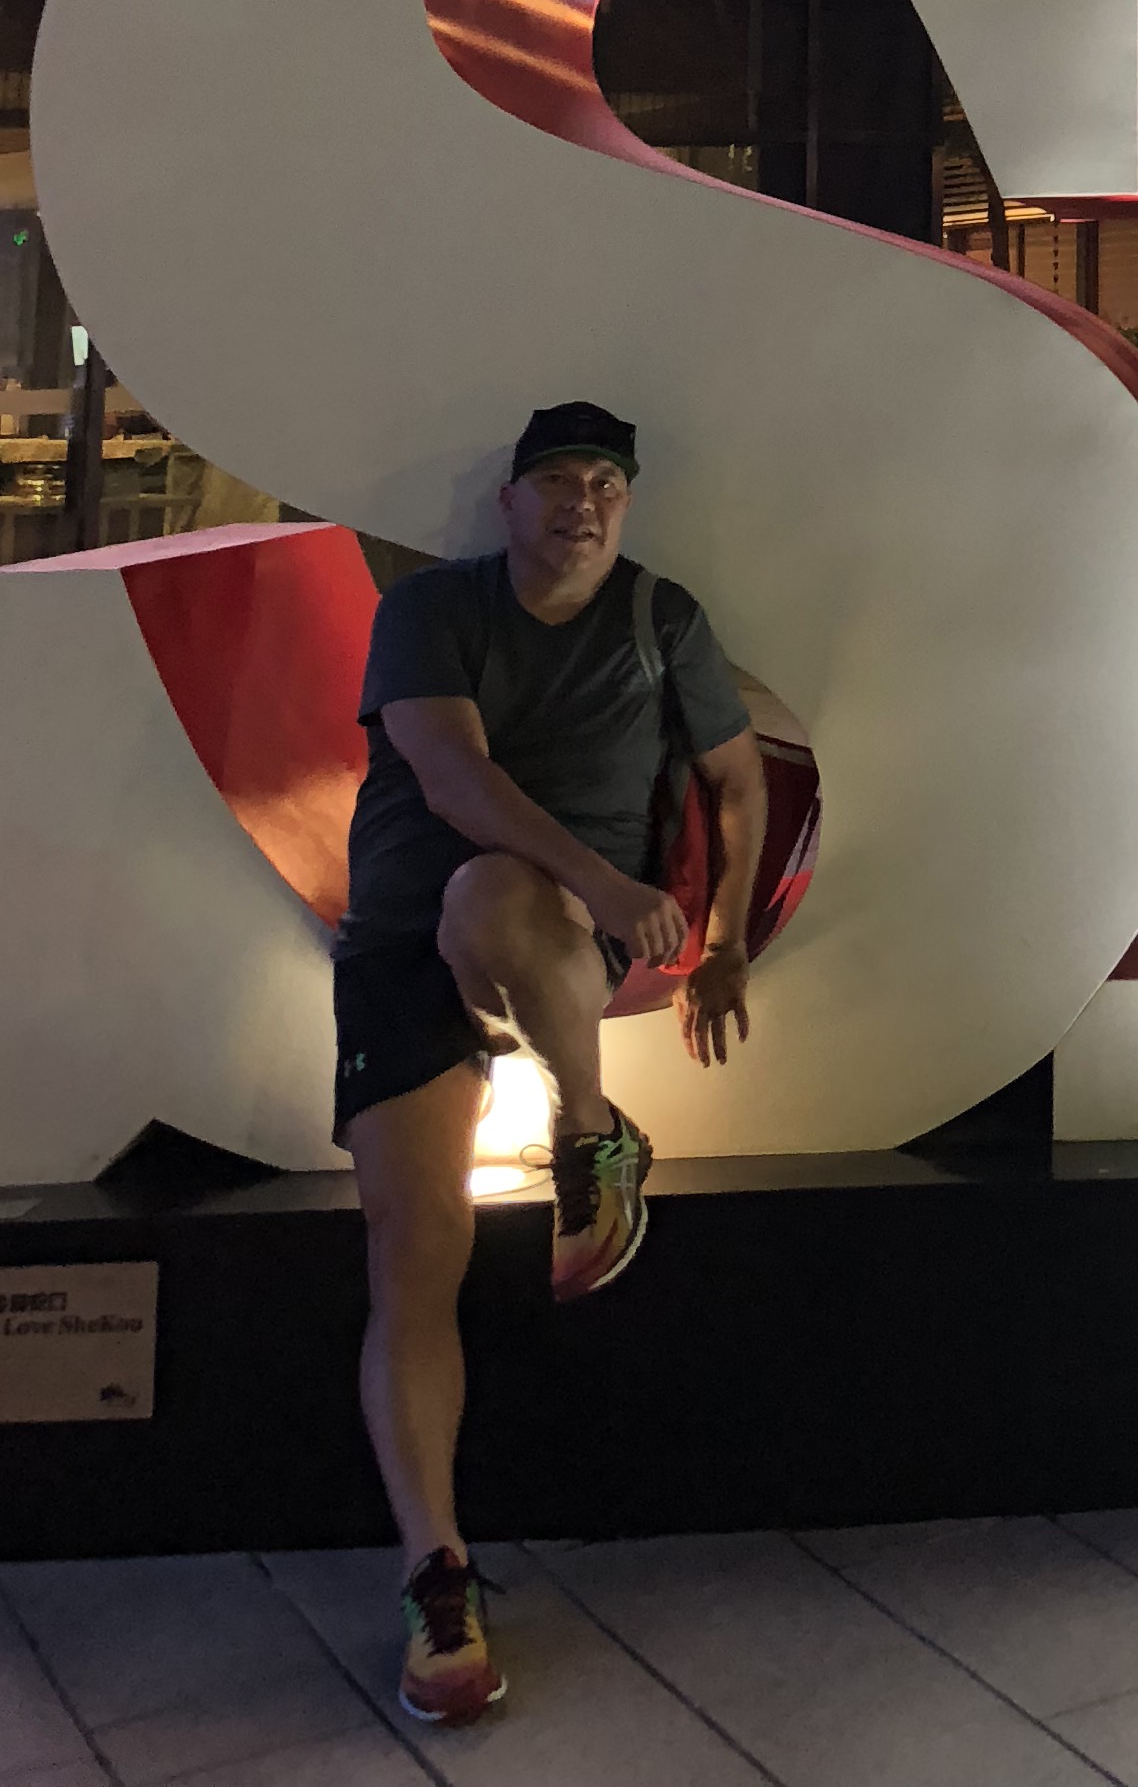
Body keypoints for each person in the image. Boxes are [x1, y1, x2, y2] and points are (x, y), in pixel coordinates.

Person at [332, 400, 770, 1728]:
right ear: (508, 502)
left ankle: (590, 1127)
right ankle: (437, 1574)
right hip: (408, 947)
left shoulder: (660, 618)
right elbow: (452, 778)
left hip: (561, 941)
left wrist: (726, 940)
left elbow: (738, 781)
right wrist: (616, 878)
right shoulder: (434, 611)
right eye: (559, 482)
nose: (585, 504)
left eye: (607, 486)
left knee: (496, 902)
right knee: (413, 1251)